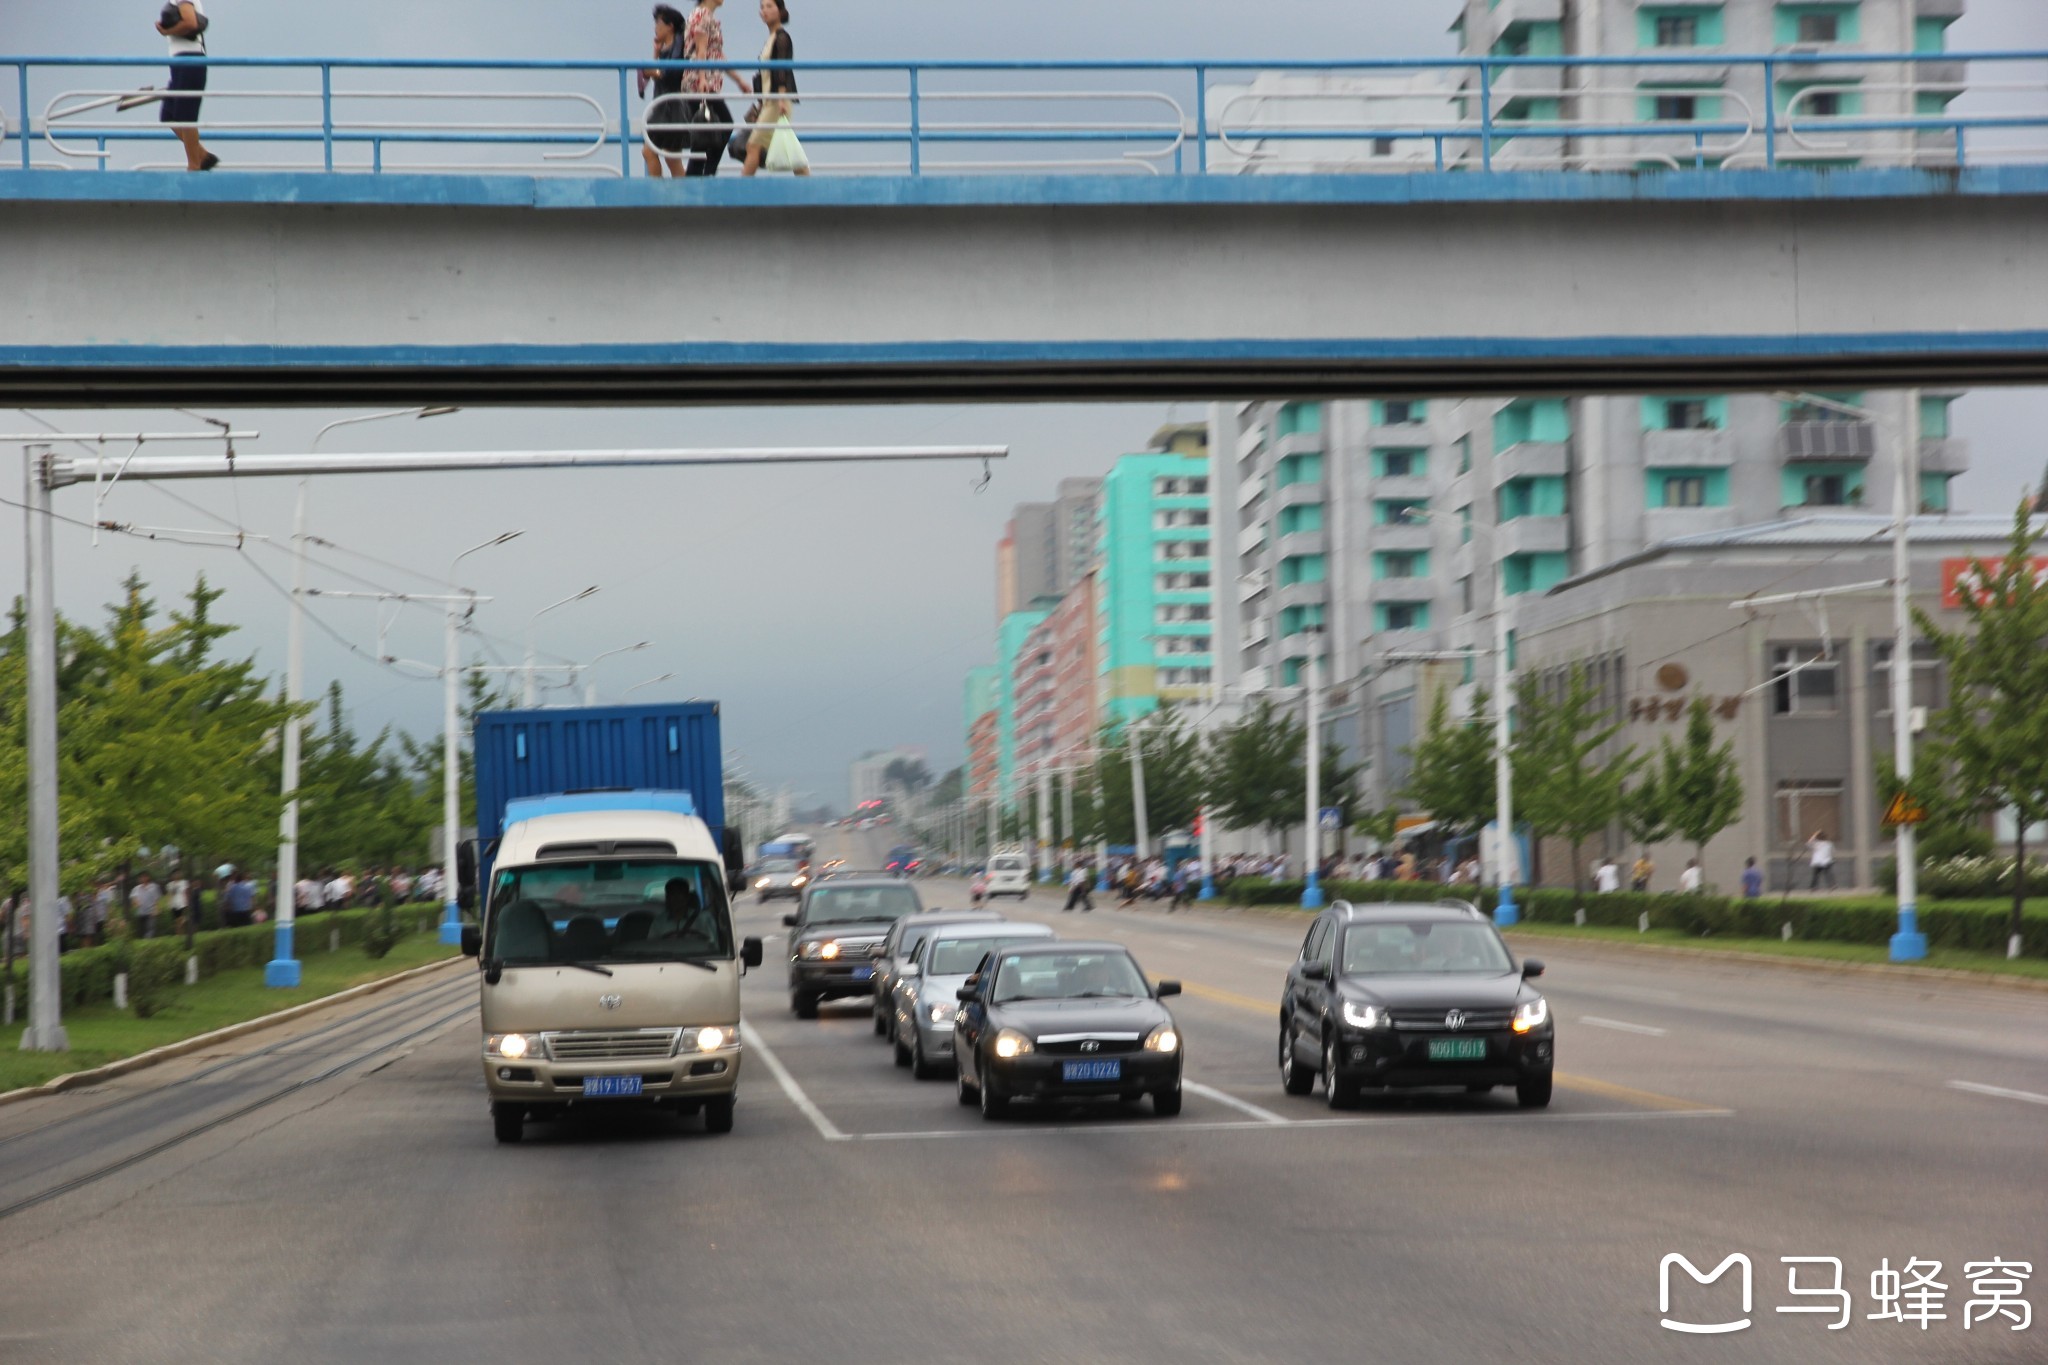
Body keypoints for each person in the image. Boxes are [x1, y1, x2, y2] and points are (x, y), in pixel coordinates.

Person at [741, 0, 809, 176]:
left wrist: (780, 98)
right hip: (770, 100)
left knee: (753, 145)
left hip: (778, 100)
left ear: (780, 11)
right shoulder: (771, 38)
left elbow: (781, 69)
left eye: (770, 6)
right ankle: (808, 185)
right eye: (762, 7)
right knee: (789, 146)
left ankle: (739, 192)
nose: (765, 10)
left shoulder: (781, 37)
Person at [682, 0, 745, 176]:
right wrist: (702, 78)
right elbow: (701, 51)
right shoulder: (701, 15)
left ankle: (700, 175)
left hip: (707, 81)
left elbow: (716, 54)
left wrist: (738, 80)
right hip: (701, 82)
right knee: (721, 125)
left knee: (706, 132)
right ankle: (706, 173)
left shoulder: (707, 17)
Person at [155, 2, 218, 171]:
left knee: (186, 117)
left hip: (189, 59)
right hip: (180, 60)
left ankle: (194, 166)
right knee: (169, 114)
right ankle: (202, 155)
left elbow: (190, 23)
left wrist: (166, 31)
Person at [640, 5, 692, 177]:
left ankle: (658, 191)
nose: (656, 28)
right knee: (671, 156)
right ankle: (684, 194)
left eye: (658, 23)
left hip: (671, 107)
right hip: (664, 105)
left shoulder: (678, 43)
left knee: (651, 151)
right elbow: (659, 72)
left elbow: (671, 75)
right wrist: (655, 55)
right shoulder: (665, 48)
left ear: (670, 26)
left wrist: (653, 72)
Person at [132, 873, 164, 939]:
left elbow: (156, 899)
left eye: (144, 877)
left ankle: (148, 942)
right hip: (141, 912)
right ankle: (144, 943)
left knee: (150, 928)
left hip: (151, 911)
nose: (143, 878)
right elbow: (134, 898)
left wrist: (157, 909)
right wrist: (136, 902)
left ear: (148, 877)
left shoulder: (154, 887)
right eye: (141, 877)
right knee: (143, 929)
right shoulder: (136, 888)